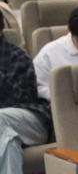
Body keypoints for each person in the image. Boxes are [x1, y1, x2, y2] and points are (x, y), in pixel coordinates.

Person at [0, 12, 51, 174]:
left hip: (31, 119)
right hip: (6, 131)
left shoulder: (17, 56)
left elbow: (21, 99)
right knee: (8, 142)